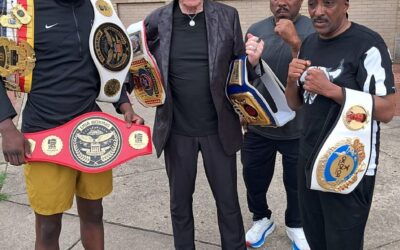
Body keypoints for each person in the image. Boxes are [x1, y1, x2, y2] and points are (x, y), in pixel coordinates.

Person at [0, 0, 144, 249]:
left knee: (94, 213)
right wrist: (6, 127)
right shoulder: (24, 11)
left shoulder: (98, 8)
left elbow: (109, 62)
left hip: (92, 129)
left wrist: (124, 106)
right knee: (48, 226)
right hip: (44, 135)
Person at [143, 0, 264, 249]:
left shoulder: (227, 16)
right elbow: (138, 65)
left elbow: (237, 69)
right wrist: (126, 103)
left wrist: (251, 63)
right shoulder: (155, 20)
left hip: (218, 129)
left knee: (228, 203)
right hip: (176, 130)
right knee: (179, 205)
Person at [285, 0, 396, 249]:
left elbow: (387, 110)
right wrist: (292, 80)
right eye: (312, 4)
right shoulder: (310, 43)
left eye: (328, 3)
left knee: (343, 242)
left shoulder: (368, 44)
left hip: (349, 162)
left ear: (346, 4)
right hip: (310, 158)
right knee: (315, 238)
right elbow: (295, 104)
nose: (318, 11)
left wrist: (333, 90)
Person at [242, 0, 313, 249]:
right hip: (259, 125)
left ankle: (296, 224)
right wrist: (248, 64)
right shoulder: (256, 28)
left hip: (299, 128)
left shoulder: (314, 28)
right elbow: (244, 75)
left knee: (297, 184)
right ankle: (261, 218)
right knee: (253, 177)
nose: (282, 2)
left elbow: (321, 72)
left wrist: (296, 43)